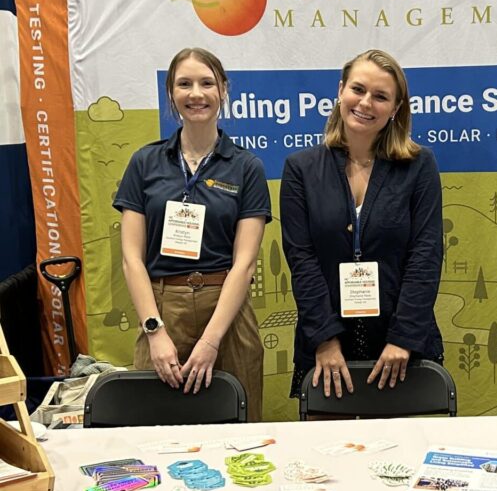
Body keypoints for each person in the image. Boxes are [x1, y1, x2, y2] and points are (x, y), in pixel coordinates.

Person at [115, 47, 271, 420]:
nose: (196, 94)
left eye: (206, 83)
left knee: (239, 430)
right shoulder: (145, 163)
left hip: (227, 313)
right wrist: (155, 331)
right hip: (162, 307)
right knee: (154, 428)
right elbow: (131, 259)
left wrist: (210, 341)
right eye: (184, 84)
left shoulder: (247, 167)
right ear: (171, 94)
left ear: (223, 90)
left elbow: (245, 264)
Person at [280, 48, 443, 399]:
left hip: (402, 350)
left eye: (381, 96)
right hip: (326, 351)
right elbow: (301, 260)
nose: (366, 103)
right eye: (358, 89)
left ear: (396, 109)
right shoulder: (301, 169)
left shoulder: (419, 166)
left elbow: (426, 256)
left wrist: (402, 339)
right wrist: (324, 339)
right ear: (340, 91)